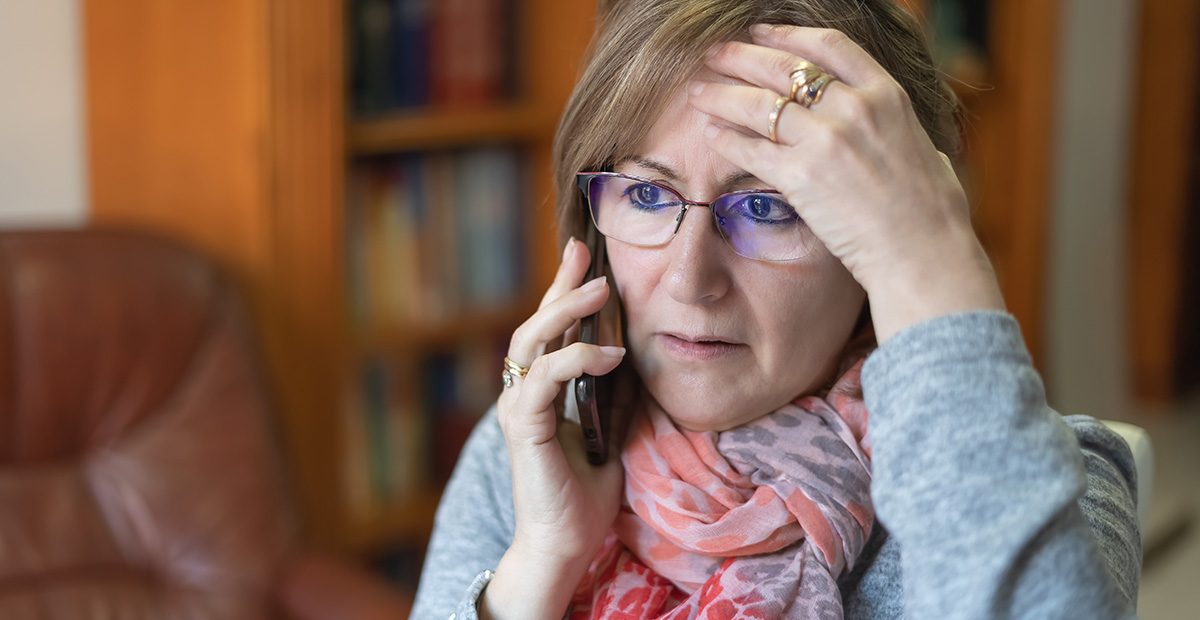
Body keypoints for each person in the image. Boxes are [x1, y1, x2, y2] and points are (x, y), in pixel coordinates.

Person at [410, 0, 1142, 618]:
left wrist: (934, 266)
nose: (691, 280)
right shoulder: (537, 448)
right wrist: (540, 561)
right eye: (645, 194)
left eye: (767, 207)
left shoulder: (1053, 483)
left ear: (878, 245)